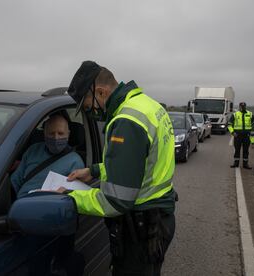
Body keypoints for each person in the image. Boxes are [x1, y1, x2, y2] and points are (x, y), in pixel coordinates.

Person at [61, 61, 177, 275]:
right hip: (159, 217)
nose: (89, 112)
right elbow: (138, 165)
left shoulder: (126, 121)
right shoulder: (147, 105)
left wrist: (71, 197)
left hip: (143, 228)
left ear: (101, 92)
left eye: (86, 106)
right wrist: (94, 171)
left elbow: (117, 200)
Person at [10, 114, 84, 198]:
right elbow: (15, 181)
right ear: (44, 133)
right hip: (19, 202)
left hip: (47, 205)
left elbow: (73, 196)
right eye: (51, 133)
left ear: (68, 134)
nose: (56, 137)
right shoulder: (33, 150)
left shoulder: (75, 161)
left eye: (60, 133)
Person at [228, 102, 254, 169]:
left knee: (246, 150)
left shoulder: (250, 114)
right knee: (237, 149)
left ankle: (245, 164)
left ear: (246, 106)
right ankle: (236, 163)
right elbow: (229, 125)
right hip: (237, 135)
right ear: (239, 107)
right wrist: (232, 132)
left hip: (247, 135)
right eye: (241, 106)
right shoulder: (235, 114)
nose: (242, 108)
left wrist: (251, 132)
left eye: (243, 106)